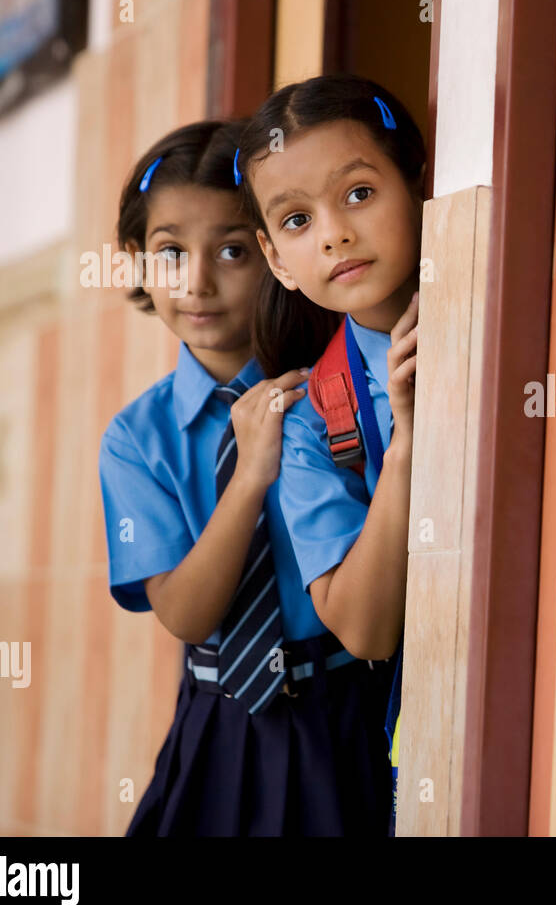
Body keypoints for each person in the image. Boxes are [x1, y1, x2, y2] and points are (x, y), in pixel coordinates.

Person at [98, 119, 393, 836]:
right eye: (170, 253)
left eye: (231, 250)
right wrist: (250, 473)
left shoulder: (340, 388)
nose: (197, 282)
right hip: (220, 725)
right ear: (138, 262)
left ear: (272, 252)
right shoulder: (138, 439)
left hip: (349, 710)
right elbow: (186, 614)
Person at [236, 75, 425, 835]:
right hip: (433, 720)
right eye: (295, 219)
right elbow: (366, 630)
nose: (333, 235)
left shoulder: (514, 307)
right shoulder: (315, 419)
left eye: (357, 195)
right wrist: (406, 445)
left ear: (418, 186)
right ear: (276, 259)